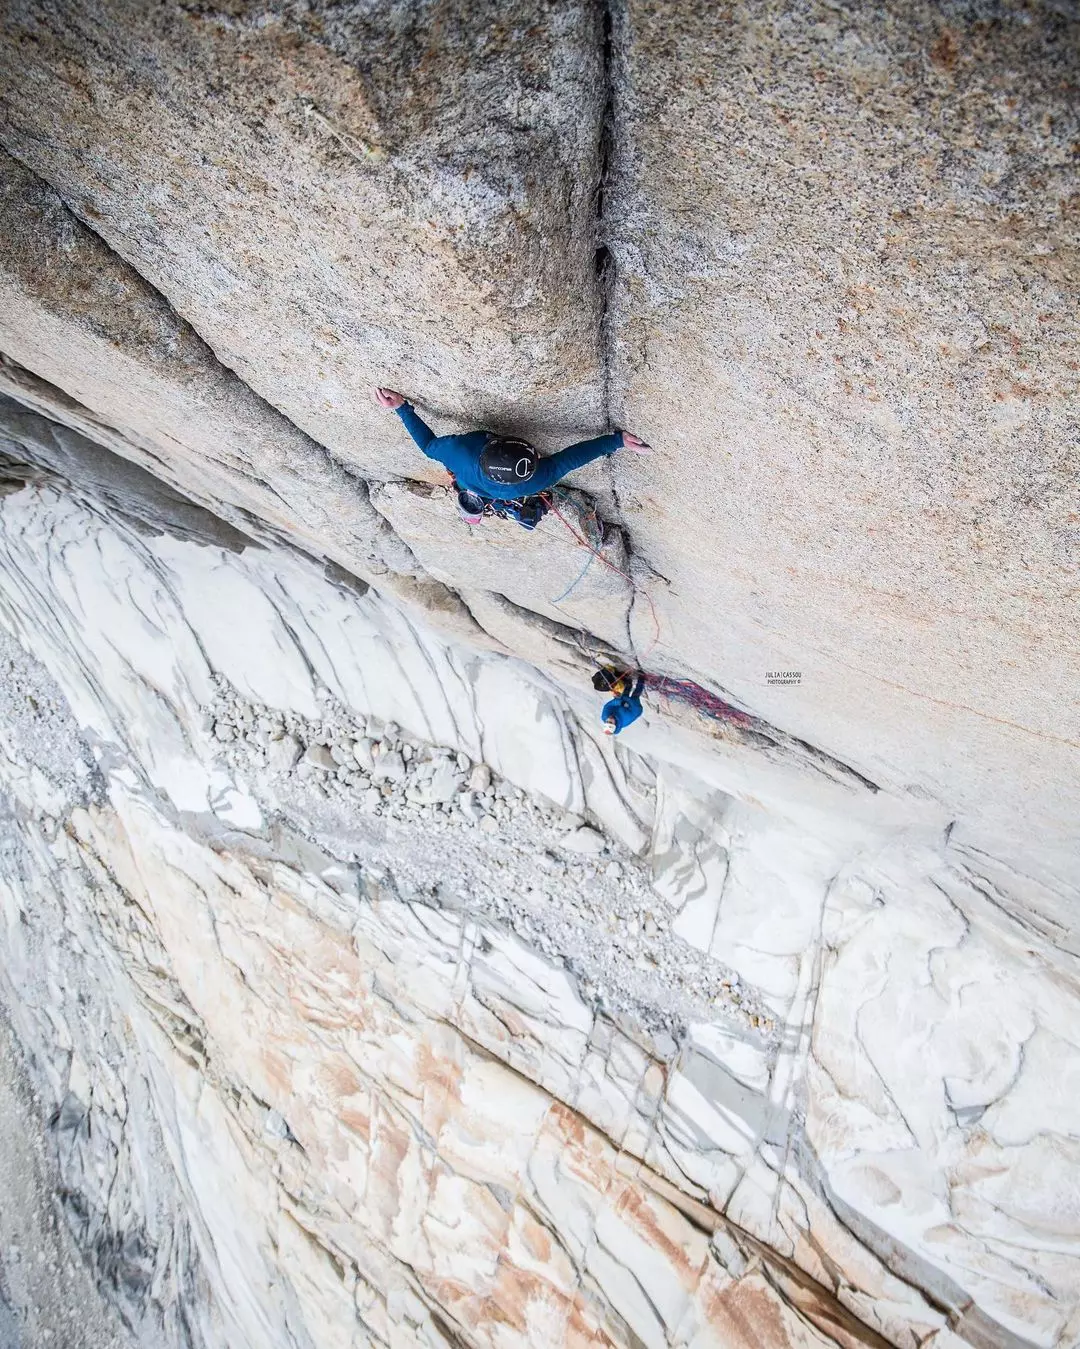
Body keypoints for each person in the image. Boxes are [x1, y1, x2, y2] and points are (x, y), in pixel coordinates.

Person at [374, 388, 649, 527]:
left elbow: (428, 443)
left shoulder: (460, 454)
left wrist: (617, 441)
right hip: (477, 461)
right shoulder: (529, 481)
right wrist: (617, 441)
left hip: (475, 454)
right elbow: (571, 458)